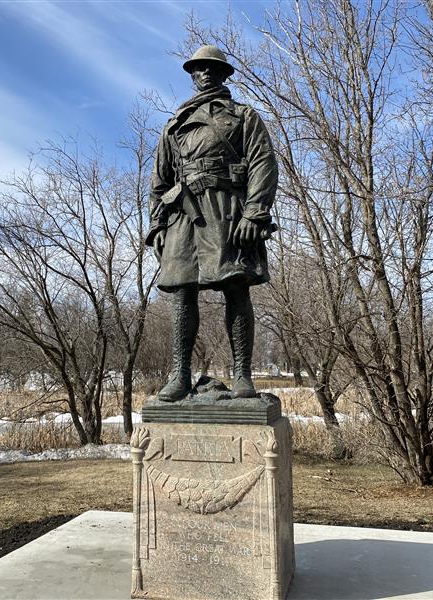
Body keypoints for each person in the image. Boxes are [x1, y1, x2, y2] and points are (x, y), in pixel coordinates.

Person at [146, 45, 278, 401]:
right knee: (181, 291)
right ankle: (180, 374)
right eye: (198, 68)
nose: (204, 73)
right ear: (191, 74)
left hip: (227, 208)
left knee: (236, 286)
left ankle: (242, 375)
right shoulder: (175, 123)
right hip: (183, 215)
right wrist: (156, 226)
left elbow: (263, 163)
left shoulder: (243, 115)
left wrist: (255, 212)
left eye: (211, 68)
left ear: (224, 74)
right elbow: (159, 181)